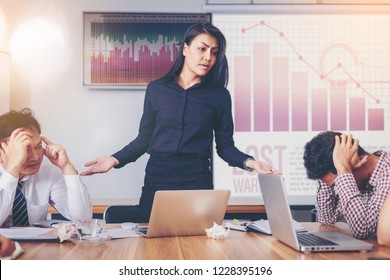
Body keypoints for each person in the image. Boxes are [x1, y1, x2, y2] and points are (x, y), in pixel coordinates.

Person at [81, 22, 280, 222]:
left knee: (196, 245)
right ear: (185, 49)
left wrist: (252, 163)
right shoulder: (156, 89)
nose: (207, 57)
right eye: (202, 49)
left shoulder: (219, 96)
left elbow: (225, 147)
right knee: (151, 244)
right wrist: (113, 160)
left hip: (197, 180)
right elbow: (144, 139)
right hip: (158, 178)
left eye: (214, 52)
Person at [0, 108, 92, 227]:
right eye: (24, 149)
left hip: (37, 245)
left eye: (38, 146)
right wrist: (13, 167)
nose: (35, 157)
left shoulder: (48, 170)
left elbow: (83, 219)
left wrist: (67, 167)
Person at [303, 131, 390, 239]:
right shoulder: (359, 179)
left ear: (357, 159)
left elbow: (363, 229)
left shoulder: (387, 171)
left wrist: (343, 170)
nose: (341, 185)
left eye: (337, 183)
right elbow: (327, 219)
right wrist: (324, 174)